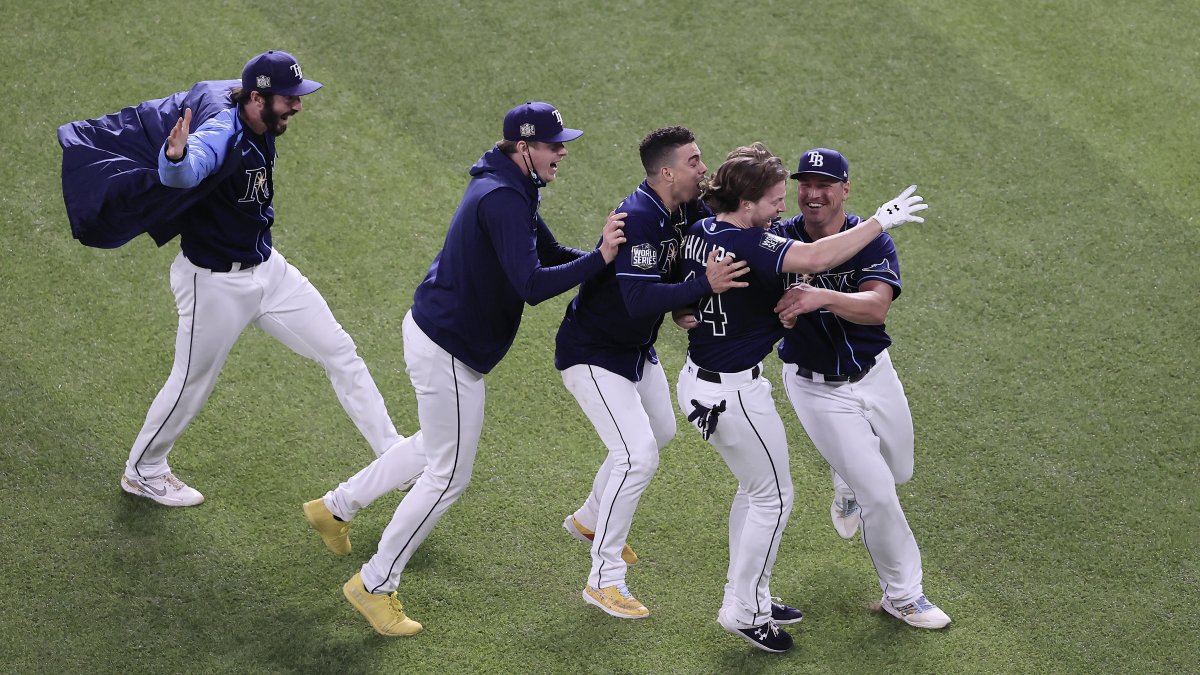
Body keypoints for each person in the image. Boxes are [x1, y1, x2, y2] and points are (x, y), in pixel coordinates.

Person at [301, 102, 627, 636]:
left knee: (434, 447)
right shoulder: (501, 198)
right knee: (448, 474)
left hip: (442, 337)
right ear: (524, 147)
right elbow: (532, 284)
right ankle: (374, 584)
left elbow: (547, 253)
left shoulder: (514, 187)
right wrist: (600, 260)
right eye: (553, 144)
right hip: (447, 349)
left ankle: (334, 508)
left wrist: (606, 260)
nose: (562, 152)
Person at [59, 51, 406, 507]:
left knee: (340, 352)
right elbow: (190, 167)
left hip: (268, 270)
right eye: (289, 98)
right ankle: (143, 471)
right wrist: (175, 157)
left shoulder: (257, 118)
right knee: (191, 384)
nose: (298, 105)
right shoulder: (224, 133)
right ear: (258, 99)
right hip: (214, 284)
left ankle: (396, 459)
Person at [675, 143, 926, 652]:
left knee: (758, 493)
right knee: (774, 497)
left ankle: (752, 597)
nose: (784, 205)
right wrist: (881, 220)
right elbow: (813, 257)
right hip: (735, 392)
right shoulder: (755, 240)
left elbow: (684, 305)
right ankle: (747, 610)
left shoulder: (704, 230)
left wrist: (691, 306)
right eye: (777, 197)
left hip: (709, 381)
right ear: (748, 203)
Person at [554, 127, 750, 619]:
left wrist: (688, 298)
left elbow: (712, 239)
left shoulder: (684, 208)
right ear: (666, 172)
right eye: (693, 161)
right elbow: (639, 297)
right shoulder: (637, 217)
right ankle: (604, 579)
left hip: (635, 350)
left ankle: (590, 518)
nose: (702, 167)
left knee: (660, 431)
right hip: (593, 354)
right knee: (636, 456)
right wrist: (700, 287)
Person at [773, 148, 951, 630]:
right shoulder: (779, 240)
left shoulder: (872, 241)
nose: (813, 194)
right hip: (816, 388)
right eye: (806, 184)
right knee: (881, 495)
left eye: (825, 184)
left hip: (875, 374)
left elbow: (875, 308)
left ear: (845, 190)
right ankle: (904, 596)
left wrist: (819, 297)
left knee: (900, 470)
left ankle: (847, 482)